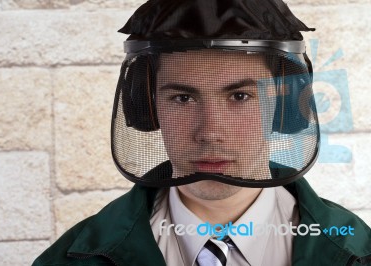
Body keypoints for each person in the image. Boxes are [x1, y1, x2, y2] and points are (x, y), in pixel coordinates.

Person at [33, 0, 371, 265]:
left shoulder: (357, 252)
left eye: (240, 96)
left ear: (283, 108)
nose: (209, 132)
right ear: (147, 108)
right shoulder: (72, 260)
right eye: (183, 98)